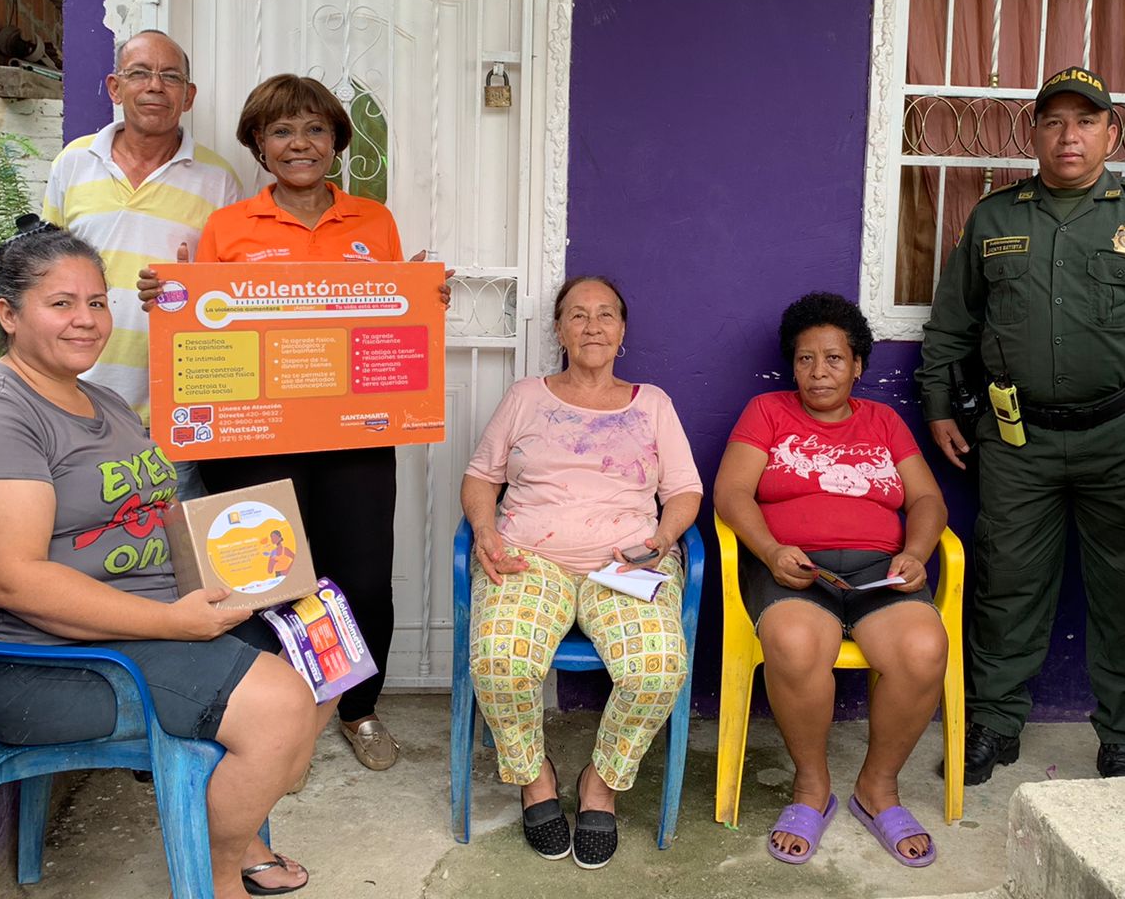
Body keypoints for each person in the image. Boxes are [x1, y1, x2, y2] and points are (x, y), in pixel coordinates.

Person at [0, 217, 328, 899]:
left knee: (325, 654)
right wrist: (176, 622)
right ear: (9, 314)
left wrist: (254, 563)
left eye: (96, 302)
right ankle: (217, 874)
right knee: (282, 706)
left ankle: (239, 825)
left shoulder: (101, 399)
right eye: (61, 304)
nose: (86, 321)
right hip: (59, 659)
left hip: (148, 618)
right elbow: (12, 579)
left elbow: (153, 511)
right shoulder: (5, 412)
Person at [140, 73, 449, 773]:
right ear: (259, 144)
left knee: (362, 579)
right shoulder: (227, 227)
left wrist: (425, 298)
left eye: (314, 129)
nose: (299, 143)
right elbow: (198, 325)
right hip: (251, 436)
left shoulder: (375, 222)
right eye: (282, 131)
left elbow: (390, 320)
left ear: (337, 142)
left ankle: (358, 710)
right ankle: (272, 722)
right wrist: (168, 296)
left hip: (354, 434)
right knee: (262, 580)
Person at [916, 65, 1125, 784]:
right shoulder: (995, 217)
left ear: (1111, 132)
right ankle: (994, 724)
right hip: (1019, 440)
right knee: (1006, 583)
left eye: (1085, 121)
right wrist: (940, 405)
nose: (1068, 135)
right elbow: (953, 323)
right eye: (1053, 121)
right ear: (1033, 132)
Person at [461, 276, 701, 870]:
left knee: (658, 664)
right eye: (577, 315)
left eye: (605, 315)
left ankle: (602, 782)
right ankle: (533, 776)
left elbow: (685, 491)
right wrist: (486, 533)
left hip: (624, 562)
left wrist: (662, 540)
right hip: (527, 558)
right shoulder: (525, 396)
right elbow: (481, 478)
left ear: (622, 330)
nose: (592, 326)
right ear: (559, 330)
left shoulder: (653, 403)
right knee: (498, 656)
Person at [714, 292, 948, 868]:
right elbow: (730, 493)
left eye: (834, 359)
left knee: (923, 648)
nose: (818, 372)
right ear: (791, 364)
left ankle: (878, 789)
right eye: (805, 359)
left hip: (880, 571)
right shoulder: (766, 412)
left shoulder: (884, 421)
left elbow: (925, 499)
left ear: (858, 365)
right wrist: (770, 551)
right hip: (794, 567)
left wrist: (916, 554)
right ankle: (811, 788)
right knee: (795, 644)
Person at [43, 29, 242, 499]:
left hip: (175, 410)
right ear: (115, 87)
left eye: (170, 76)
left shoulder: (219, 181)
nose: (155, 86)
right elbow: (42, 269)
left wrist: (189, 289)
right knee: (80, 544)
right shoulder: (74, 162)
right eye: (140, 74)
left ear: (188, 97)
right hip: (77, 398)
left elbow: (232, 297)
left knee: (173, 555)